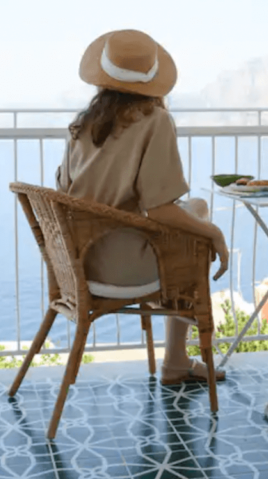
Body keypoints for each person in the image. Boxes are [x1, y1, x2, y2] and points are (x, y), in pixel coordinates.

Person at [57, 29, 230, 384]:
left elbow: (64, 191)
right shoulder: (155, 121)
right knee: (194, 232)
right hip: (123, 269)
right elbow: (161, 210)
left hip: (78, 262)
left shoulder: (81, 124)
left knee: (192, 210)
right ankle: (176, 361)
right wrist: (215, 234)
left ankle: (176, 359)